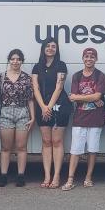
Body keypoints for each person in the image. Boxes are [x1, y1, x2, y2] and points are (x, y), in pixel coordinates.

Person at [63, 47, 105, 191]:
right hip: (79, 119)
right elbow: (72, 98)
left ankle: (88, 178)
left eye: (92, 57)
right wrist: (92, 98)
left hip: (95, 119)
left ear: (96, 59)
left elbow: (97, 96)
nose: (89, 59)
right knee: (75, 150)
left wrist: (80, 97)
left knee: (92, 150)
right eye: (86, 56)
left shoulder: (100, 76)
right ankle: (70, 179)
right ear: (83, 58)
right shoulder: (76, 76)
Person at [0, 49, 35, 187]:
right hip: (6, 112)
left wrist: (32, 117)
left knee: (21, 147)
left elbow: (30, 99)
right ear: (9, 60)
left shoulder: (27, 78)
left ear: (22, 61)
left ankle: (20, 175)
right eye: (13, 59)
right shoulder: (2, 77)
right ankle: (3, 175)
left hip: (22, 112)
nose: (15, 61)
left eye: (18, 59)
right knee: (5, 147)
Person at [31, 38, 70, 189]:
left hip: (60, 106)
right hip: (42, 107)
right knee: (46, 141)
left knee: (57, 141)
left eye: (54, 46)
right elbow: (35, 88)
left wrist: (49, 107)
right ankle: (47, 175)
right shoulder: (36, 67)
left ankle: (57, 175)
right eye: (48, 46)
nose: (50, 48)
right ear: (43, 48)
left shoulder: (61, 65)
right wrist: (43, 106)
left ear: (57, 49)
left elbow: (59, 87)